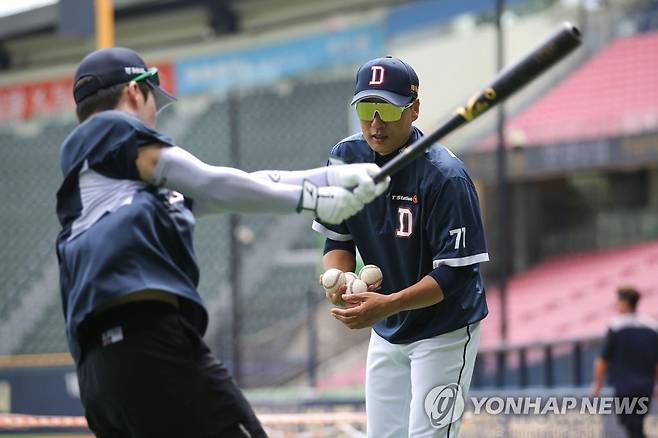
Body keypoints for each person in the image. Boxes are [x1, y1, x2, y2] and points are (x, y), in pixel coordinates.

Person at [56, 47, 390, 438]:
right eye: (153, 104)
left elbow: (243, 185)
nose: (154, 118)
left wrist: (332, 179)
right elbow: (211, 181)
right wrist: (313, 200)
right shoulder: (112, 129)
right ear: (134, 92)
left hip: (101, 376)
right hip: (151, 348)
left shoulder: (117, 185)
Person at [312, 56, 489, 437]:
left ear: (414, 110)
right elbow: (337, 238)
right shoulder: (345, 159)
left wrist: (386, 305)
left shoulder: (445, 176)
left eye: (388, 109)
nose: (375, 123)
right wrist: (341, 280)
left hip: (444, 328)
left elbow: (454, 275)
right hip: (388, 327)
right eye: (367, 108)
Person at [592, 287, 658, 438]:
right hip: (645, 386)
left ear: (626, 303)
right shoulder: (651, 326)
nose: (616, 305)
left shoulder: (616, 326)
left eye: (618, 301)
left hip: (625, 388)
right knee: (637, 425)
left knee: (632, 427)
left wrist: (597, 384)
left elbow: (603, 359)